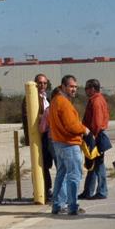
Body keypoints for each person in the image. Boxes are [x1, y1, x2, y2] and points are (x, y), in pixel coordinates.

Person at [46, 74, 91, 215]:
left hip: (58, 143)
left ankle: (57, 205)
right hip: (69, 144)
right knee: (74, 175)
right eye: (71, 86)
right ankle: (72, 205)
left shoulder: (54, 101)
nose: (74, 89)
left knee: (61, 175)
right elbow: (72, 126)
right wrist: (85, 130)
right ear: (63, 86)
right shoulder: (64, 103)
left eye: (75, 87)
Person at [20, 74, 53, 203]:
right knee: (39, 164)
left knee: (46, 163)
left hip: (47, 135)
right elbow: (29, 116)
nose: (42, 86)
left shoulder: (47, 97)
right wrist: (46, 117)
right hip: (37, 136)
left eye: (45, 83)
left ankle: (47, 188)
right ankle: (40, 190)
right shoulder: (30, 97)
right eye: (40, 83)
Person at [79, 78, 110, 200]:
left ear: (92, 88)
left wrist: (93, 137)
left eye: (87, 88)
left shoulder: (96, 101)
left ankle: (102, 191)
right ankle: (88, 191)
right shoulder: (99, 99)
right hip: (95, 135)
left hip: (95, 136)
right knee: (92, 164)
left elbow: (97, 122)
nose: (85, 90)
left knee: (98, 165)